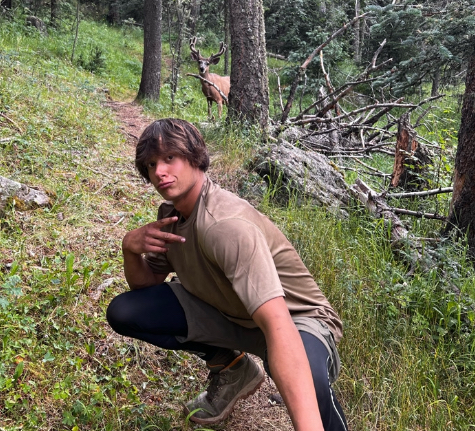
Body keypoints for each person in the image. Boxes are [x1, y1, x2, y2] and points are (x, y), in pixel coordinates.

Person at [106, 119, 345, 429]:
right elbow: (146, 283)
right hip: (229, 311)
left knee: (311, 383)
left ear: (194, 157)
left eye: (169, 158)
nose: (160, 171)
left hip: (296, 319)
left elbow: (277, 322)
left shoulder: (225, 224)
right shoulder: (171, 216)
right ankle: (233, 368)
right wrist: (130, 248)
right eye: (151, 164)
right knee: (126, 311)